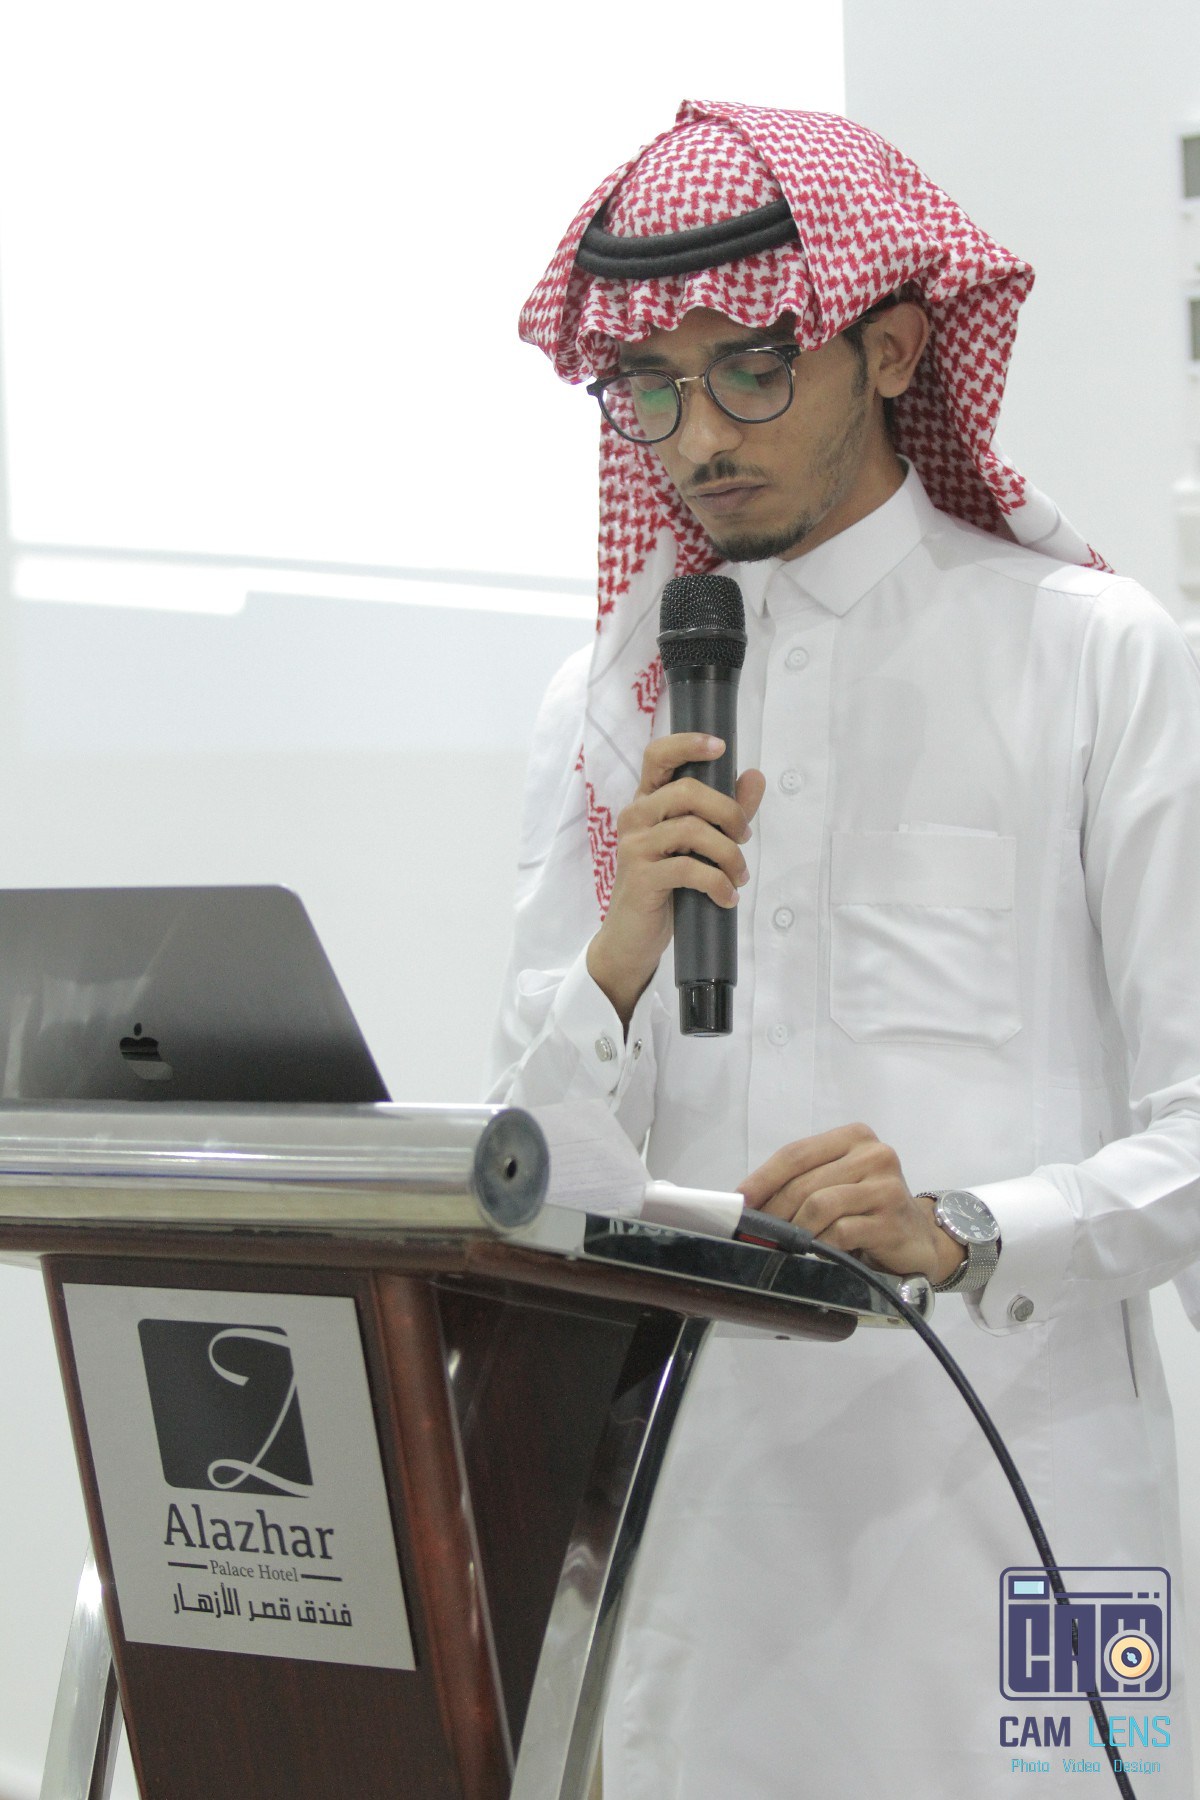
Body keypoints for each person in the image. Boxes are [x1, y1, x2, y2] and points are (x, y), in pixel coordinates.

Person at [488, 99, 1200, 1797]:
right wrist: (613, 965)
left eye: (749, 369)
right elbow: (533, 1184)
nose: (696, 438)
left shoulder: (1093, 657)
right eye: (650, 389)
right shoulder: (609, 705)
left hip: (1027, 1515)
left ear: (890, 347)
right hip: (709, 1549)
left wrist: (968, 1227)